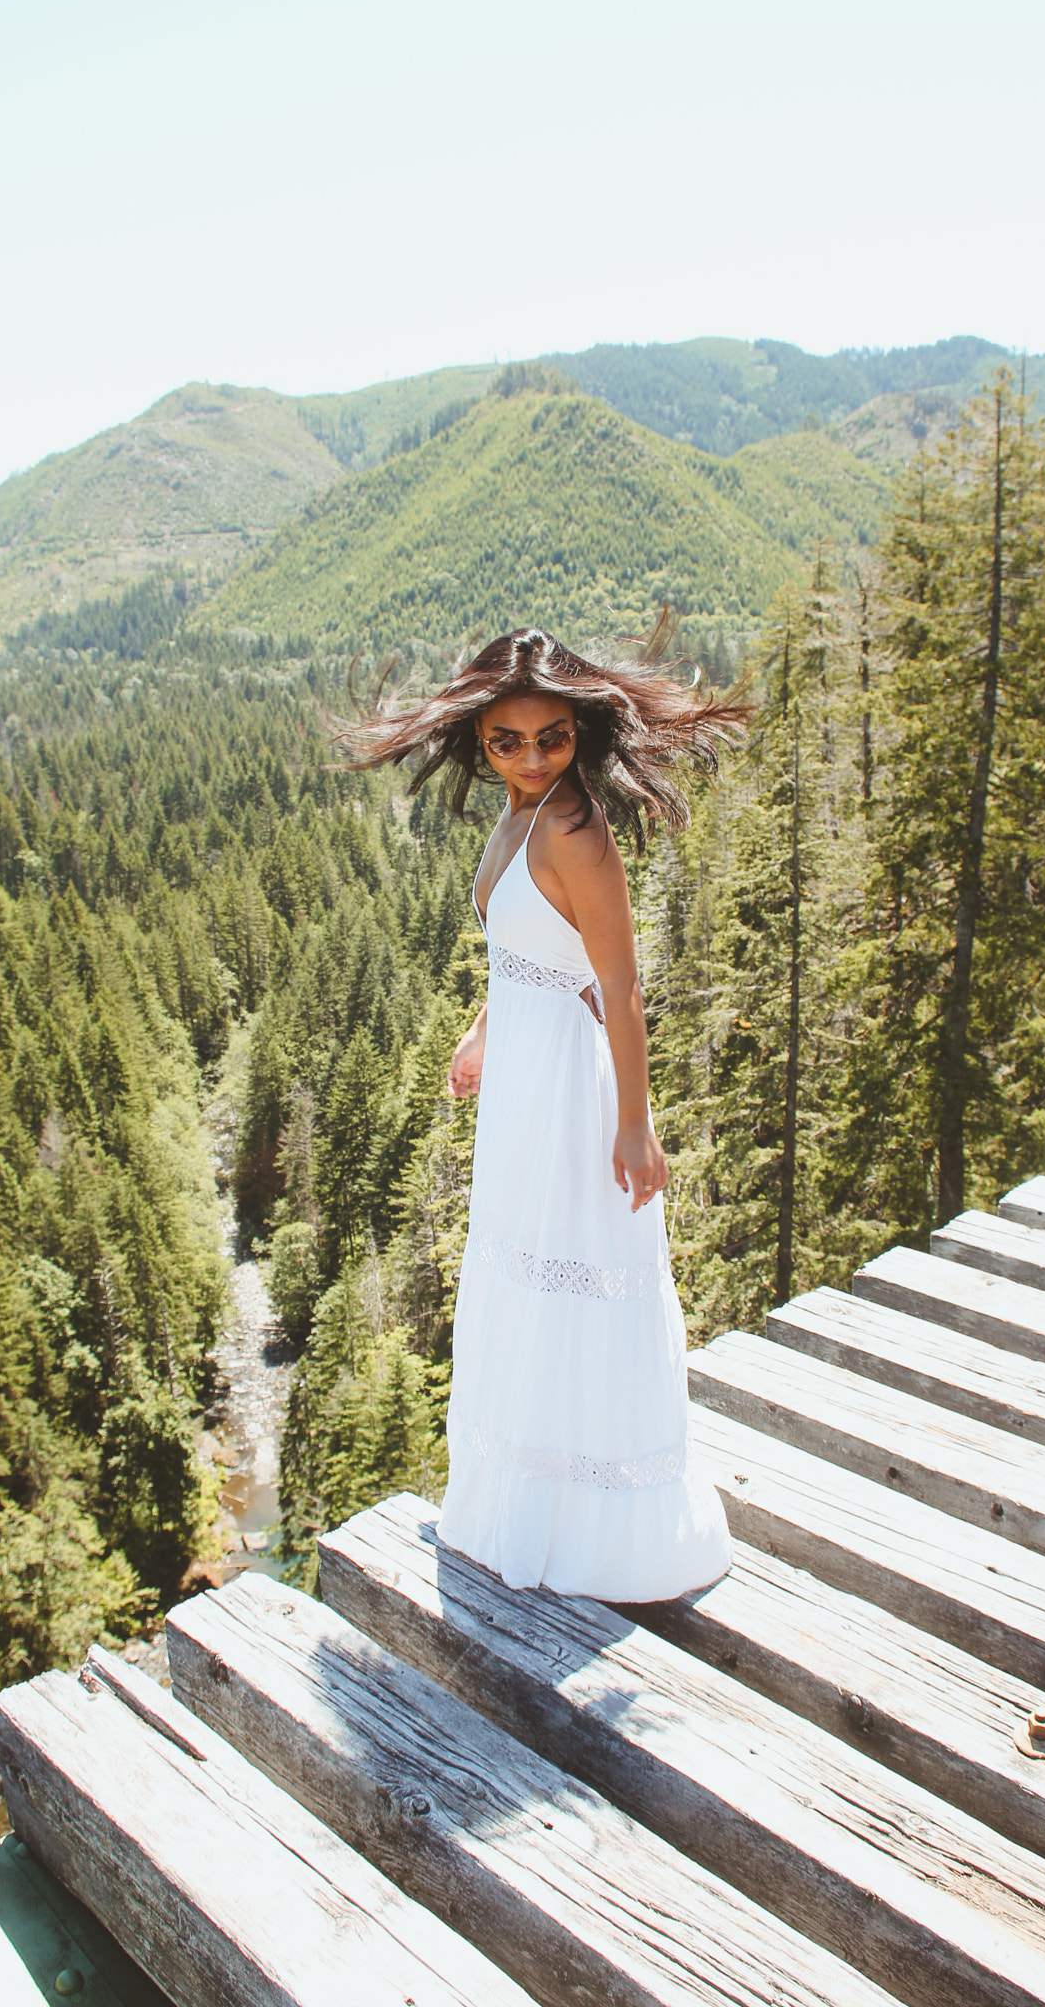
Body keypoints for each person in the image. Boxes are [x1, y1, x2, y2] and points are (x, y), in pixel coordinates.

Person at [345, 619, 749, 1600]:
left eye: (551, 738)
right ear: (479, 739)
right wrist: (484, 1026)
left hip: (574, 1090)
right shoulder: (519, 816)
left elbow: (618, 984)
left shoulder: (575, 828)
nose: (530, 757)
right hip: (525, 1077)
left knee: (580, 1283)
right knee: (527, 1280)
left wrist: (634, 1121)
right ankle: (530, 1501)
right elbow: (531, 945)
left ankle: (596, 1526)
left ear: (582, 733)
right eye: (507, 741)